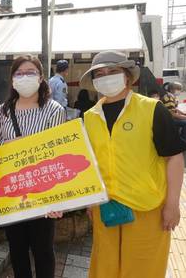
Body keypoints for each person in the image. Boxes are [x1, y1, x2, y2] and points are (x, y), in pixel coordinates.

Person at [79, 50, 185, 278]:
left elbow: (174, 157)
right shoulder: (89, 116)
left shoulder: (151, 109)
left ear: (127, 76)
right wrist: (89, 201)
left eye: (113, 71)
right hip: (105, 207)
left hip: (146, 207)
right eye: (100, 74)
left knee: (143, 269)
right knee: (105, 268)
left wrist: (173, 204)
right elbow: (91, 162)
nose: (106, 77)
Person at [0, 55, 65, 278]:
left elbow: (57, 152)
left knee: (43, 250)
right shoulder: (3, 111)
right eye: (19, 73)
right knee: (17, 251)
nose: (25, 77)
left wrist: (58, 198)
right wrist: (8, 146)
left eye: (31, 72)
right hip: (13, 192)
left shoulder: (53, 109)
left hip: (44, 191)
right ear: (12, 79)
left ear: (41, 77)